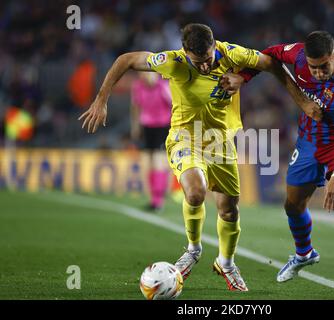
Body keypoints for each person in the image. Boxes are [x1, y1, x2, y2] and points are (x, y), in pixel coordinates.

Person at [78, 23, 321, 292]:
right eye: (199, 62)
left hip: (221, 141)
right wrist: (101, 99)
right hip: (185, 136)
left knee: (228, 209)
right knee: (195, 192)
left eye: (208, 59)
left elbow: (272, 63)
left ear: (213, 46)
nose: (205, 66)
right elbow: (127, 59)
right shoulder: (173, 62)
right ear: (185, 52)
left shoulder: (231, 54)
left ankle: (226, 263)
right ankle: (193, 249)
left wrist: (298, 99)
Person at [220, 31, 334, 291]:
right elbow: (268, 56)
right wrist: (244, 77)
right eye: (313, 68)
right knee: (293, 205)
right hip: (309, 140)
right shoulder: (297, 55)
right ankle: (304, 254)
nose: (318, 73)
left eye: (324, 67)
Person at [130, 72, 172, 211]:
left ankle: (158, 200)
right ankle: (154, 197)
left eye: (150, 73)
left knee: (158, 160)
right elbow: (136, 106)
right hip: (147, 127)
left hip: (162, 126)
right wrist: (135, 126)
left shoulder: (163, 86)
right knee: (148, 162)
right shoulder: (138, 87)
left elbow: (174, 105)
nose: (147, 76)